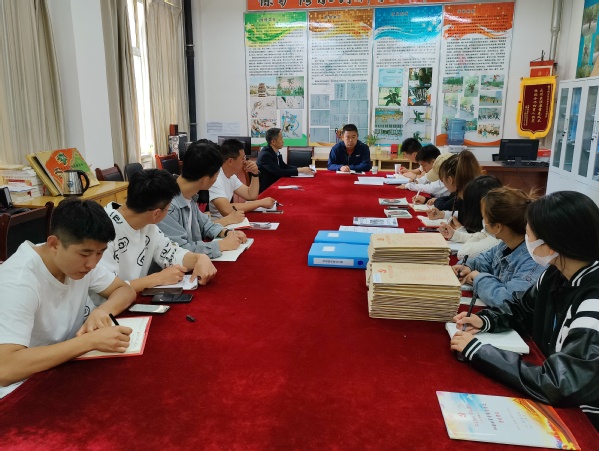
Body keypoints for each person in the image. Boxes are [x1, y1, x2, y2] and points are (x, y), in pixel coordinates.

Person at [451, 191, 599, 431]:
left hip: (585, 417)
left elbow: (559, 384)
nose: (526, 239)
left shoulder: (593, 301)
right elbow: (522, 308)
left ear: (548, 245)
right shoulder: (556, 272)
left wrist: (481, 352)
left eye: (529, 234)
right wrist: (486, 320)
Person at [0, 198, 136, 394]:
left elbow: (124, 290)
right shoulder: (18, 281)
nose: (92, 264)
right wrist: (90, 341)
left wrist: (103, 311)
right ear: (54, 244)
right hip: (22, 386)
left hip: (64, 367)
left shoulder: (78, 261)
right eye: (85, 254)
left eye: (100, 253)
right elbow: (5, 367)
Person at [97, 169, 217, 295]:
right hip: (105, 305)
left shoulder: (148, 225)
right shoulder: (103, 229)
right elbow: (107, 288)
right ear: (156, 213)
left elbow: (171, 254)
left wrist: (199, 258)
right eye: (168, 208)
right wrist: (157, 278)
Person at [452, 186, 545, 307]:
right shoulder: (505, 244)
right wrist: (468, 266)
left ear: (497, 227)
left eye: (484, 218)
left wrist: (479, 278)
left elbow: (506, 300)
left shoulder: (533, 261)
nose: (483, 222)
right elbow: (485, 259)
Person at [158, 141, 247, 259]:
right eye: (216, 175)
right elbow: (180, 251)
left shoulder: (189, 194)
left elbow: (205, 224)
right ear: (205, 180)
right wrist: (220, 245)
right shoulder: (167, 207)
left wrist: (227, 232)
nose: (216, 179)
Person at [209, 138, 276, 219]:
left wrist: (255, 174)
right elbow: (226, 210)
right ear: (230, 161)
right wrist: (260, 203)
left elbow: (251, 195)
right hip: (219, 223)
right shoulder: (215, 178)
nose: (245, 161)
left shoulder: (231, 176)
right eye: (243, 158)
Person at [438, 175, 502, 260]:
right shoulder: (494, 219)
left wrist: (463, 231)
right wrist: (455, 235)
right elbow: (483, 235)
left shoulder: (499, 236)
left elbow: (463, 253)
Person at [256, 128, 313, 192]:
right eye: (281, 138)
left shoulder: (275, 151)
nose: (283, 141)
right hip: (267, 188)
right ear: (273, 142)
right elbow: (278, 172)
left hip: (276, 183)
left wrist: (300, 169)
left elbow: (284, 166)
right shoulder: (265, 155)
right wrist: (299, 170)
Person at [426, 150, 481, 216]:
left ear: (450, 180)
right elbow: (463, 215)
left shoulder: (468, 196)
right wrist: (442, 214)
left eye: (442, 180)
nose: (442, 182)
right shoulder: (464, 192)